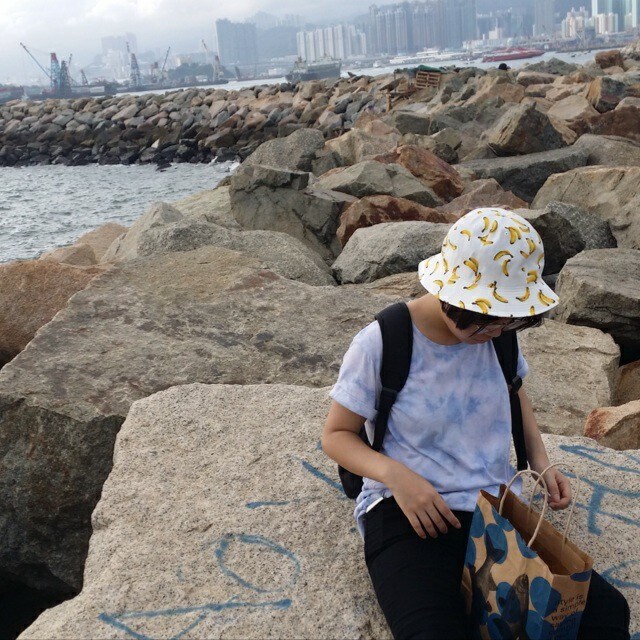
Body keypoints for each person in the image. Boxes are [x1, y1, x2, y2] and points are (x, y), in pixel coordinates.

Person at [322, 208, 630, 640]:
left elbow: (514, 392)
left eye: (511, 317)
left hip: (491, 509)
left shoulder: (499, 335)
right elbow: (336, 435)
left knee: (606, 614)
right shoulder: (385, 340)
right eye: (485, 317)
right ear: (449, 292)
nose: (498, 329)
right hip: (408, 512)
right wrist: (396, 476)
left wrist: (540, 461)